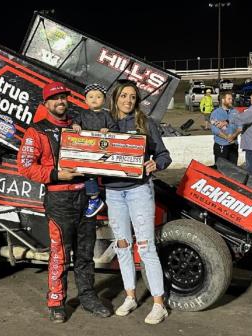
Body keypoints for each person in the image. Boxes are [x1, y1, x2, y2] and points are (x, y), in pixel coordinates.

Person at [17, 81, 111, 323]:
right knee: (60, 253)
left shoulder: (79, 125)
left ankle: (88, 297)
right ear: (46, 103)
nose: (61, 102)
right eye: (55, 98)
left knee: (85, 252)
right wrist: (57, 174)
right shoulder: (36, 130)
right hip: (59, 198)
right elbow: (25, 166)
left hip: (86, 197)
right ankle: (56, 301)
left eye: (63, 97)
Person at [103, 81, 172, 325]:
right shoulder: (105, 122)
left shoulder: (145, 123)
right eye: (124, 96)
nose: (128, 100)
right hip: (113, 192)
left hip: (139, 190)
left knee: (145, 247)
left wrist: (156, 164)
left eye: (132, 97)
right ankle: (130, 296)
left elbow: (164, 155)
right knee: (122, 245)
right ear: (115, 98)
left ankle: (158, 304)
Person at [72, 83, 118, 217]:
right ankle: (94, 198)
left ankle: (110, 199)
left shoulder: (106, 115)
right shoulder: (82, 114)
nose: (94, 99)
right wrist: (75, 125)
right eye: (91, 97)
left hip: (104, 150)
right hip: (87, 149)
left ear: (104, 100)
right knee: (88, 175)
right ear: (85, 100)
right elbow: (73, 123)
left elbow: (115, 129)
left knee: (107, 176)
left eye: (98, 97)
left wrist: (108, 130)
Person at [210, 91, 242, 165]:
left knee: (233, 169)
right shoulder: (215, 113)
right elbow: (215, 130)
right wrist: (226, 137)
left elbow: (240, 126)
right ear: (223, 100)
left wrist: (233, 136)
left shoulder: (235, 112)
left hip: (233, 145)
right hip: (221, 145)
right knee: (221, 169)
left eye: (232, 99)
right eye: (229, 99)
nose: (231, 100)